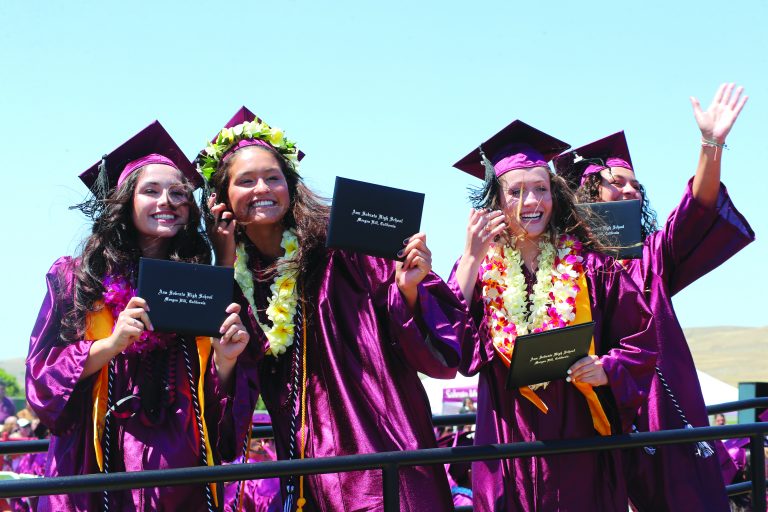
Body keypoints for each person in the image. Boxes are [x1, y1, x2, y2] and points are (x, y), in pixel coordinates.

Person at [201, 107, 467, 511]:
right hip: (307, 473)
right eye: (246, 181)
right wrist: (223, 262)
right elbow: (233, 402)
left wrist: (409, 289)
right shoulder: (239, 280)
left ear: (291, 185)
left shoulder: (344, 248)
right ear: (221, 198)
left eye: (273, 177)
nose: (262, 189)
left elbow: (433, 349)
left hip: (379, 450)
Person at [26, 121, 256, 511]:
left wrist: (227, 360)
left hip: (179, 473)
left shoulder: (199, 284)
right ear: (125, 201)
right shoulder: (77, 278)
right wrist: (111, 344)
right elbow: (41, 379)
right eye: (151, 191)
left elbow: (220, 405)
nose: (167, 201)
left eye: (179, 193)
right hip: (95, 462)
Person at [554, 83, 753, 512]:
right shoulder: (565, 266)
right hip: (595, 412)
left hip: (661, 405)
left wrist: (711, 145)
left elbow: (697, 208)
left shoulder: (652, 255)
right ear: (587, 194)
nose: (631, 191)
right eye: (616, 183)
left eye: (636, 185)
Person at [450, 120, 657, 511]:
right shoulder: (477, 268)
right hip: (507, 438)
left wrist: (607, 368)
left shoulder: (590, 266)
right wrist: (471, 259)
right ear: (496, 201)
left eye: (541, 188)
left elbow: (640, 339)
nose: (532, 201)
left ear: (555, 193)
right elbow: (451, 346)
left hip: (579, 441)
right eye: (516, 191)